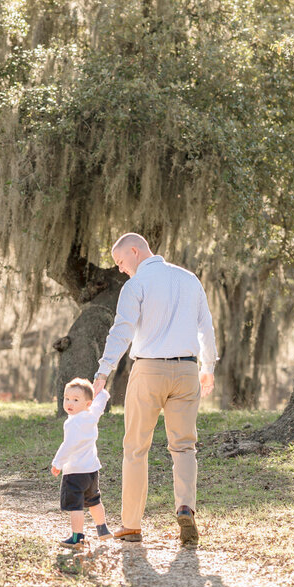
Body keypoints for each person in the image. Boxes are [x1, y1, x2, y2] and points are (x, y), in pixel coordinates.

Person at [93, 233, 217, 547]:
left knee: (136, 448)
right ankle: (185, 507)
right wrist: (208, 368)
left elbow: (122, 330)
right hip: (187, 370)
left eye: (120, 261)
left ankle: (132, 525)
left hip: (148, 370)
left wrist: (103, 371)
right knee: (185, 447)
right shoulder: (189, 280)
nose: (120, 269)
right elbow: (206, 327)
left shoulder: (136, 285)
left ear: (135, 251)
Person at [51, 378, 113, 549]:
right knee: (94, 500)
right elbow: (99, 404)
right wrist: (102, 392)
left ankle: (77, 537)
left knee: (75, 505)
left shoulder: (72, 422)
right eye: (67, 398)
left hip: (75, 472)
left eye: (76, 400)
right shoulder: (91, 415)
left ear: (86, 403)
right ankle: (102, 528)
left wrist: (57, 463)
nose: (69, 403)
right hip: (92, 471)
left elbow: (68, 445)